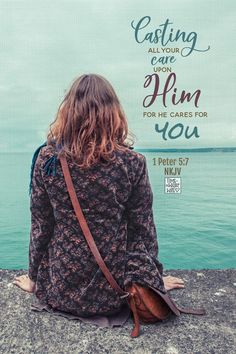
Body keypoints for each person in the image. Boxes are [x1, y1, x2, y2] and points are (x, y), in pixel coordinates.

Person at [13, 74, 184, 326]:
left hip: (61, 289)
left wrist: (33, 278)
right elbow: (143, 228)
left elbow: (41, 226)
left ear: (68, 112)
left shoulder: (47, 160)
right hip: (117, 293)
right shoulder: (132, 163)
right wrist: (153, 280)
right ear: (114, 113)